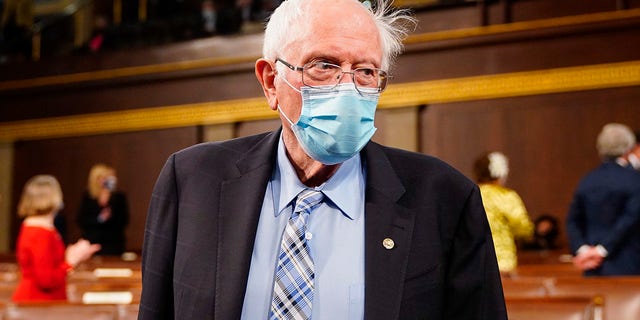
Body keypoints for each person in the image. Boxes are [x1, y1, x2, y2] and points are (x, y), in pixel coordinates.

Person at [138, 0, 507, 319]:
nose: (347, 88)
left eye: (365, 71)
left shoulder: (445, 199)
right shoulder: (191, 181)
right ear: (270, 81)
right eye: (324, 65)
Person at [566, 123, 640, 276]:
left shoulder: (587, 180)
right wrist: (602, 250)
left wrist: (583, 249)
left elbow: (572, 220)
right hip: (628, 266)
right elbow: (630, 220)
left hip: (592, 267)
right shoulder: (635, 180)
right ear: (629, 148)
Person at [12, 175, 101, 302]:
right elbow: (46, 280)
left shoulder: (37, 227)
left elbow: (47, 262)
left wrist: (73, 255)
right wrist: (70, 262)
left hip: (42, 300)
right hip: (38, 302)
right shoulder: (40, 232)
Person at [473, 151, 534, 273]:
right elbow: (523, 227)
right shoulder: (506, 197)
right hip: (502, 262)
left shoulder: (470, 194)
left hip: (474, 261)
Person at [77, 164, 129, 255]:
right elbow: (81, 220)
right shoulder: (88, 197)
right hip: (93, 243)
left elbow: (124, 220)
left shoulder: (118, 197)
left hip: (114, 244)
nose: (104, 181)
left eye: (107, 178)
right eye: (101, 178)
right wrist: (100, 219)